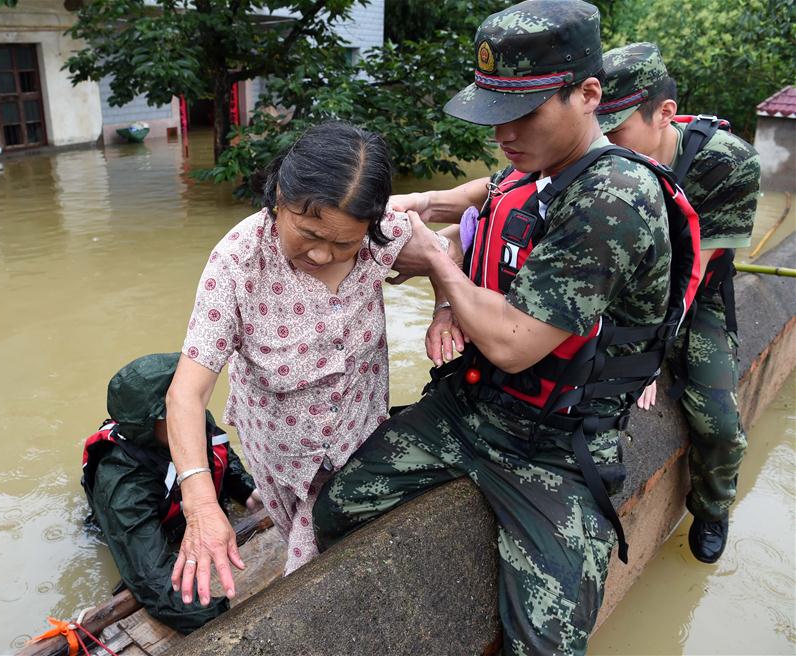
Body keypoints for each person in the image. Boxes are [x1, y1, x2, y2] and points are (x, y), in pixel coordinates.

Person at [312, 1, 700, 653]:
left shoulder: (612, 201)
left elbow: (512, 344)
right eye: (496, 115)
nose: (505, 134)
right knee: (339, 507)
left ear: (588, 95)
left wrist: (436, 260)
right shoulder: (542, 166)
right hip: (473, 405)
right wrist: (398, 207)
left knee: (545, 646)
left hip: (556, 446)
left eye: (523, 115)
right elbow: (480, 195)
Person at [165, 121, 452, 608]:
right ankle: (267, 500)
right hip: (277, 446)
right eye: (309, 233)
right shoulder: (237, 262)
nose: (323, 253)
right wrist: (200, 505)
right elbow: (185, 394)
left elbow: (443, 251)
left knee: (311, 571)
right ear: (280, 198)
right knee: (291, 519)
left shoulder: (384, 238)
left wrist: (444, 308)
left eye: (344, 243)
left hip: (358, 438)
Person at [597, 42, 760, 563]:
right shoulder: (598, 155)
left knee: (717, 421)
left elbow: (692, 273)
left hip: (696, 296)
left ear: (665, 113)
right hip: (619, 288)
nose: (603, 141)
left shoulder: (726, 165)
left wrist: (647, 354)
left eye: (616, 127)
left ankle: (712, 505)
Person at [81, 352, 260, 633]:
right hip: (151, 532)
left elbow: (220, 454)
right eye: (178, 406)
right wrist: (224, 613)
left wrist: (248, 492)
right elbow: (153, 580)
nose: (193, 409)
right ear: (151, 423)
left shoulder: (189, 417)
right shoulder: (123, 481)